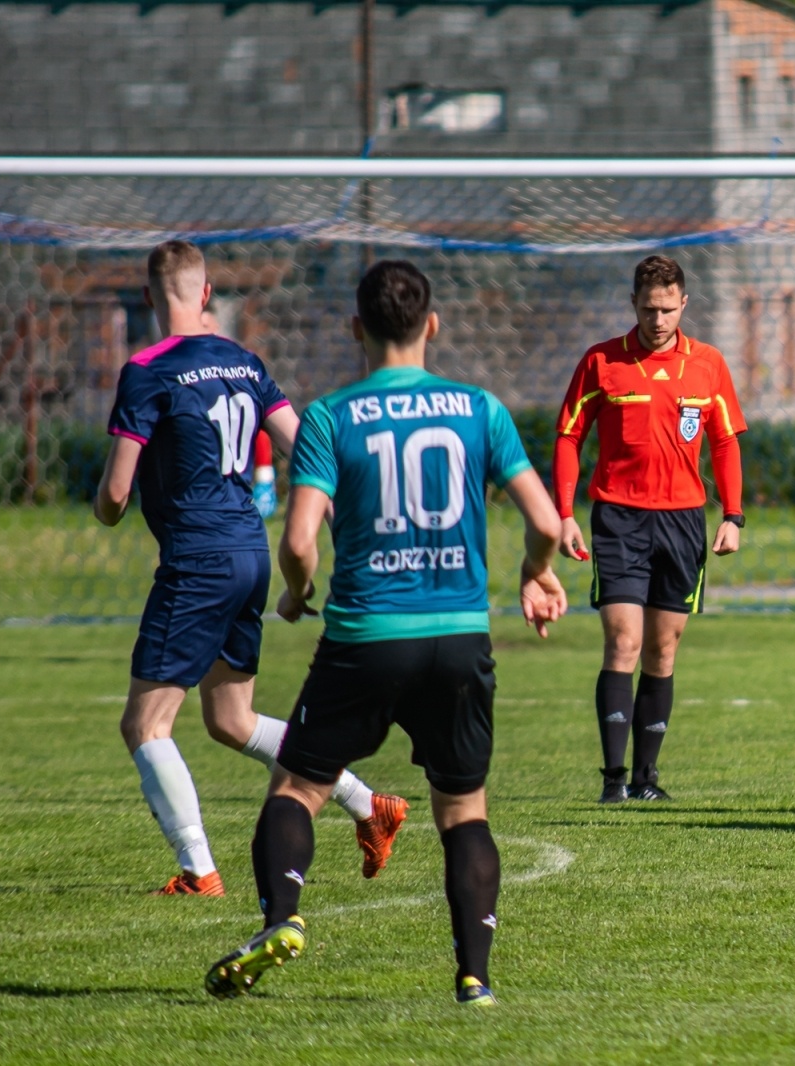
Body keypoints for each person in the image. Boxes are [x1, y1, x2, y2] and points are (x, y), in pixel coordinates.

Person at [204, 260, 567, 1006]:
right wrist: (536, 572)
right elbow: (543, 520)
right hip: (461, 637)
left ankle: (281, 918)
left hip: (367, 634)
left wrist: (300, 594)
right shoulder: (479, 410)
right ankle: (475, 977)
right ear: (432, 325)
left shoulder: (333, 417)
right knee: (463, 808)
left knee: (300, 785)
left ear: (356, 329)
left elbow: (301, 541)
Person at [95, 240, 405, 897]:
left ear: (150, 297)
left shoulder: (147, 369)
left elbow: (116, 496)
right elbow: (304, 445)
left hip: (199, 559)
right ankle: (367, 804)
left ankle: (197, 870)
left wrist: (105, 504)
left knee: (145, 725)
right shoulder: (243, 361)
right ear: (206, 294)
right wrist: (341, 522)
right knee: (230, 720)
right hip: (250, 553)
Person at [553, 255, 748, 803]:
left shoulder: (708, 364)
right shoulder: (601, 362)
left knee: (663, 650)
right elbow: (568, 437)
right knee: (624, 641)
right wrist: (565, 513)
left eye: (666, 308)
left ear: (684, 304)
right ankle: (612, 782)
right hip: (618, 518)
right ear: (633, 305)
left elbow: (726, 442)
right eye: (647, 309)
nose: (657, 319)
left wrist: (732, 515)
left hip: (684, 521)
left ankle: (647, 781)